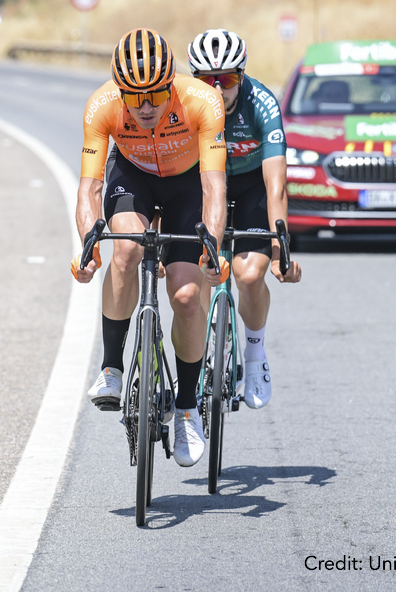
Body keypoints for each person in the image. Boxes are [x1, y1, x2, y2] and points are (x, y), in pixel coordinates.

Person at [72, 28, 229, 467]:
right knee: (125, 250)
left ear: (170, 84)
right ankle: (111, 368)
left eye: (154, 96)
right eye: (133, 96)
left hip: (187, 185)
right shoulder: (103, 105)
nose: (143, 107)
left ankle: (186, 408)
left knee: (184, 295)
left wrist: (211, 250)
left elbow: (215, 188)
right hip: (134, 176)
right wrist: (88, 247)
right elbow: (89, 188)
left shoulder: (202, 100)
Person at [187, 29, 302, 410]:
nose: (218, 90)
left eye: (228, 80)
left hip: (252, 185)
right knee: (202, 268)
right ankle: (199, 354)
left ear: (242, 76)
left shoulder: (263, 104)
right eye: (207, 81)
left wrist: (280, 247)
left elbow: (276, 186)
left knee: (250, 275)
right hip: (204, 183)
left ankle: (254, 355)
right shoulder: (185, 107)